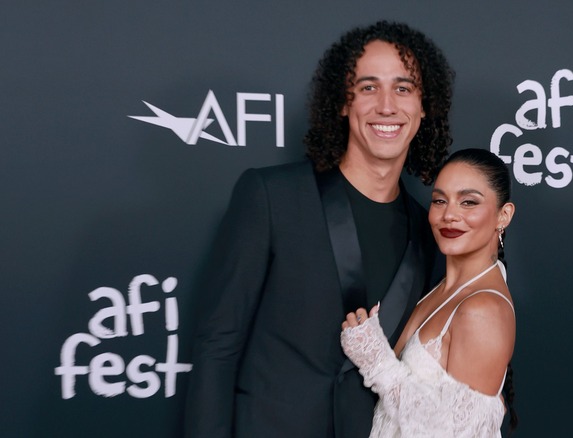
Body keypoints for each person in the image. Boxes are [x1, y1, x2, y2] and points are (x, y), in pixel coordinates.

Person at [184, 21, 454, 438]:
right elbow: (217, 347)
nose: (387, 105)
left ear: (423, 107)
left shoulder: (431, 233)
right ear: (342, 103)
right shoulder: (271, 197)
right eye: (368, 87)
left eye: (403, 88)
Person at [341, 148, 518, 437]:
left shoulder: (482, 309)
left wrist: (377, 362)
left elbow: (450, 432)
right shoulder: (439, 286)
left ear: (503, 215)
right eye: (440, 200)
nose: (449, 215)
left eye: (468, 202)